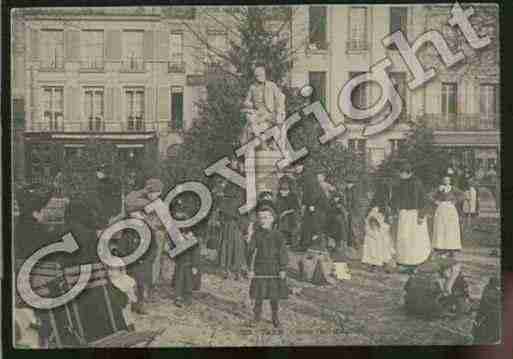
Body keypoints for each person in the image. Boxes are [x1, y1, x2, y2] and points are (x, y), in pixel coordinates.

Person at [124, 178, 166, 314]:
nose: (156, 195)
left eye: (158, 193)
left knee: (145, 272)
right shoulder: (135, 196)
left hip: (148, 240)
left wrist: (146, 218)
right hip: (132, 239)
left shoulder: (157, 204)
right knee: (131, 271)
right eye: (154, 192)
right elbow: (128, 204)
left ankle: (140, 302)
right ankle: (127, 302)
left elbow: (160, 222)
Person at [247, 202, 288, 328]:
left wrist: (282, 268)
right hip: (260, 267)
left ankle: (275, 317)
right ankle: (256, 316)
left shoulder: (278, 235)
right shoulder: (256, 234)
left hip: (274, 268)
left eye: (265, 217)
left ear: (272, 219)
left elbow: (282, 252)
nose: (262, 220)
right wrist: (250, 269)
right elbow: (250, 251)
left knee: (273, 296)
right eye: (260, 218)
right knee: (259, 295)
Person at [391, 161, 431, 274]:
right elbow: (396, 198)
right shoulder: (401, 183)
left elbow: (423, 200)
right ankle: (405, 262)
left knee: (415, 239)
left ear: (407, 172)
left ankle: (416, 263)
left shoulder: (416, 183)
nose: (399, 175)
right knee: (404, 238)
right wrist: (395, 210)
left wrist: (421, 215)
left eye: (401, 173)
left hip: (415, 214)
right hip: (404, 214)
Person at [241, 65, 286, 146]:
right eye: (258, 75)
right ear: (255, 76)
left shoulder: (271, 85)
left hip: (270, 113)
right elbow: (246, 102)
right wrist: (252, 105)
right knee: (251, 122)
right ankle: (262, 143)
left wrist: (280, 111)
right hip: (258, 112)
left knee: (279, 122)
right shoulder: (252, 87)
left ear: (265, 75)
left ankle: (273, 143)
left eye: (262, 75)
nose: (260, 77)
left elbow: (280, 98)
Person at [169, 201, 201, 307]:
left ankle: (188, 296)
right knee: (179, 278)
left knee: (189, 279)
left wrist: (195, 264)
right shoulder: (176, 231)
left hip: (191, 261)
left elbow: (196, 250)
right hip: (181, 260)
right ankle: (178, 296)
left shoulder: (193, 233)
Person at [215, 179, 247, 280]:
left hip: (237, 225)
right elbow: (221, 211)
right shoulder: (225, 197)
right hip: (228, 224)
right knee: (227, 247)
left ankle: (237, 271)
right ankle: (226, 269)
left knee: (238, 248)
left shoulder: (243, 196)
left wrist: (245, 227)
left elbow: (245, 212)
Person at [362, 182, 395, 272]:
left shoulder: (375, 204)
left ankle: (376, 265)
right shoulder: (382, 205)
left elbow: (369, 217)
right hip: (377, 229)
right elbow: (373, 219)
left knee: (376, 245)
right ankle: (382, 264)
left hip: (376, 229)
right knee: (381, 243)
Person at [299, 170, 333, 251]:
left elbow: (315, 197)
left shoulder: (314, 185)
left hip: (319, 209)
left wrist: (311, 205)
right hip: (314, 208)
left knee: (315, 225)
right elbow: (306, 198)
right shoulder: (310, 185)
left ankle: (316, 244)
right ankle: (308, 243)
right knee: (308, 224)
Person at [432, 176, 463, 258]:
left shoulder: (453, 189)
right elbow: (431, 196)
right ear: (442, 180)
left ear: (450, 181)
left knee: (450, 228)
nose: (446, 181)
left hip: (450, 209)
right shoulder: (440, 188)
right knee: (441, 227)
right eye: (444, 179)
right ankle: (440, 247)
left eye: (448, 180)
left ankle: (451, 247)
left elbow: (462, 195)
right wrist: (436, 201)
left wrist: (455, 201)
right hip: (441, 208)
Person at [473, 276, 500, 344]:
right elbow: (487, 301)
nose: (498, 285)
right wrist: (495, 306)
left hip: (488, 310)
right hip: (486, 311)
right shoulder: (489, 290)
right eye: (496, 283)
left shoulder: (490, 289)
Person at [275, 176, 300, 247]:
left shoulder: (293, 195)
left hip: (290, 215)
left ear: (289, 185)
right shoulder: (278, 195)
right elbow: (277, 206)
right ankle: (283, 241)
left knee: (288, 224)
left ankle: (290, 242)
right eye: (282, 183)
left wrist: (285, 212)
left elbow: (296, 207)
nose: (284, 185)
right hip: (280, 215)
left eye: (286, 184)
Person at [344, 174, 364, 251]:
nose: (348, 184)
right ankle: (351, 244)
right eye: (348, 183)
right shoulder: (347, 189)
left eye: (349, 183)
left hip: (355, 211)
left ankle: (356, 245)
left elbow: (355, 202)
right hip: (350, 211)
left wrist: (350, 211)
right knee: (350, 227)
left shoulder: (354, 190)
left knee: (354, 227)